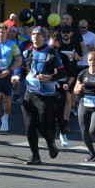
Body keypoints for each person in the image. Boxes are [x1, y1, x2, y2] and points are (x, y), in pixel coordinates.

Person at [19, 26, 65, 165]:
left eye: (38, 34)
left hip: (46, 95)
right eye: (33, 34)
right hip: (29, 94)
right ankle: (35, 156)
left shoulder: (52, 52)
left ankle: (51, 143)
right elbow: (23, 72)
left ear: (44, 37)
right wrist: (16, 78)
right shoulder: (27, 52)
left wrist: (49, 77)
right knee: (29, 126)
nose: (35, 36)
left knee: (43, 126)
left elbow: (62, 73)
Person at [0, 23, 22, 133]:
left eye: (3, 32)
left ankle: (5, 119)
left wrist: (9, 71)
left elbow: (19, 60)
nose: (0, 34)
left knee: (7, 99)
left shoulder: (13, 45)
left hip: (7, 75)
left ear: (6, 33)